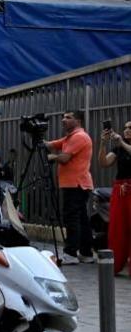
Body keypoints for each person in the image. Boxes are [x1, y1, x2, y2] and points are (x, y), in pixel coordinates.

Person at [47, 110, 94, 265]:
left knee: (72, 219)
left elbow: (65, 158)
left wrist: (53, 157)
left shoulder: (79, 137)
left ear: (78, 121)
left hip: (76, 184)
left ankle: (70, 253)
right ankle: (86, 253)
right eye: (63, 117)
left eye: (68, 117)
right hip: (77, 184)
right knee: (81, 219)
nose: (63, 120)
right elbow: (52, 144)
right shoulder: (71, 137)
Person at [100, 120, 131, 275]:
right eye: (125, 127)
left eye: (130, 128)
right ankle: (117, 263)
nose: (126, 130)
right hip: (120, 190)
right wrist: (103, 144)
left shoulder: (123, 146)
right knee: (118, 227)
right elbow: (104, 162)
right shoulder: (118, 148)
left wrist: (122, 144)